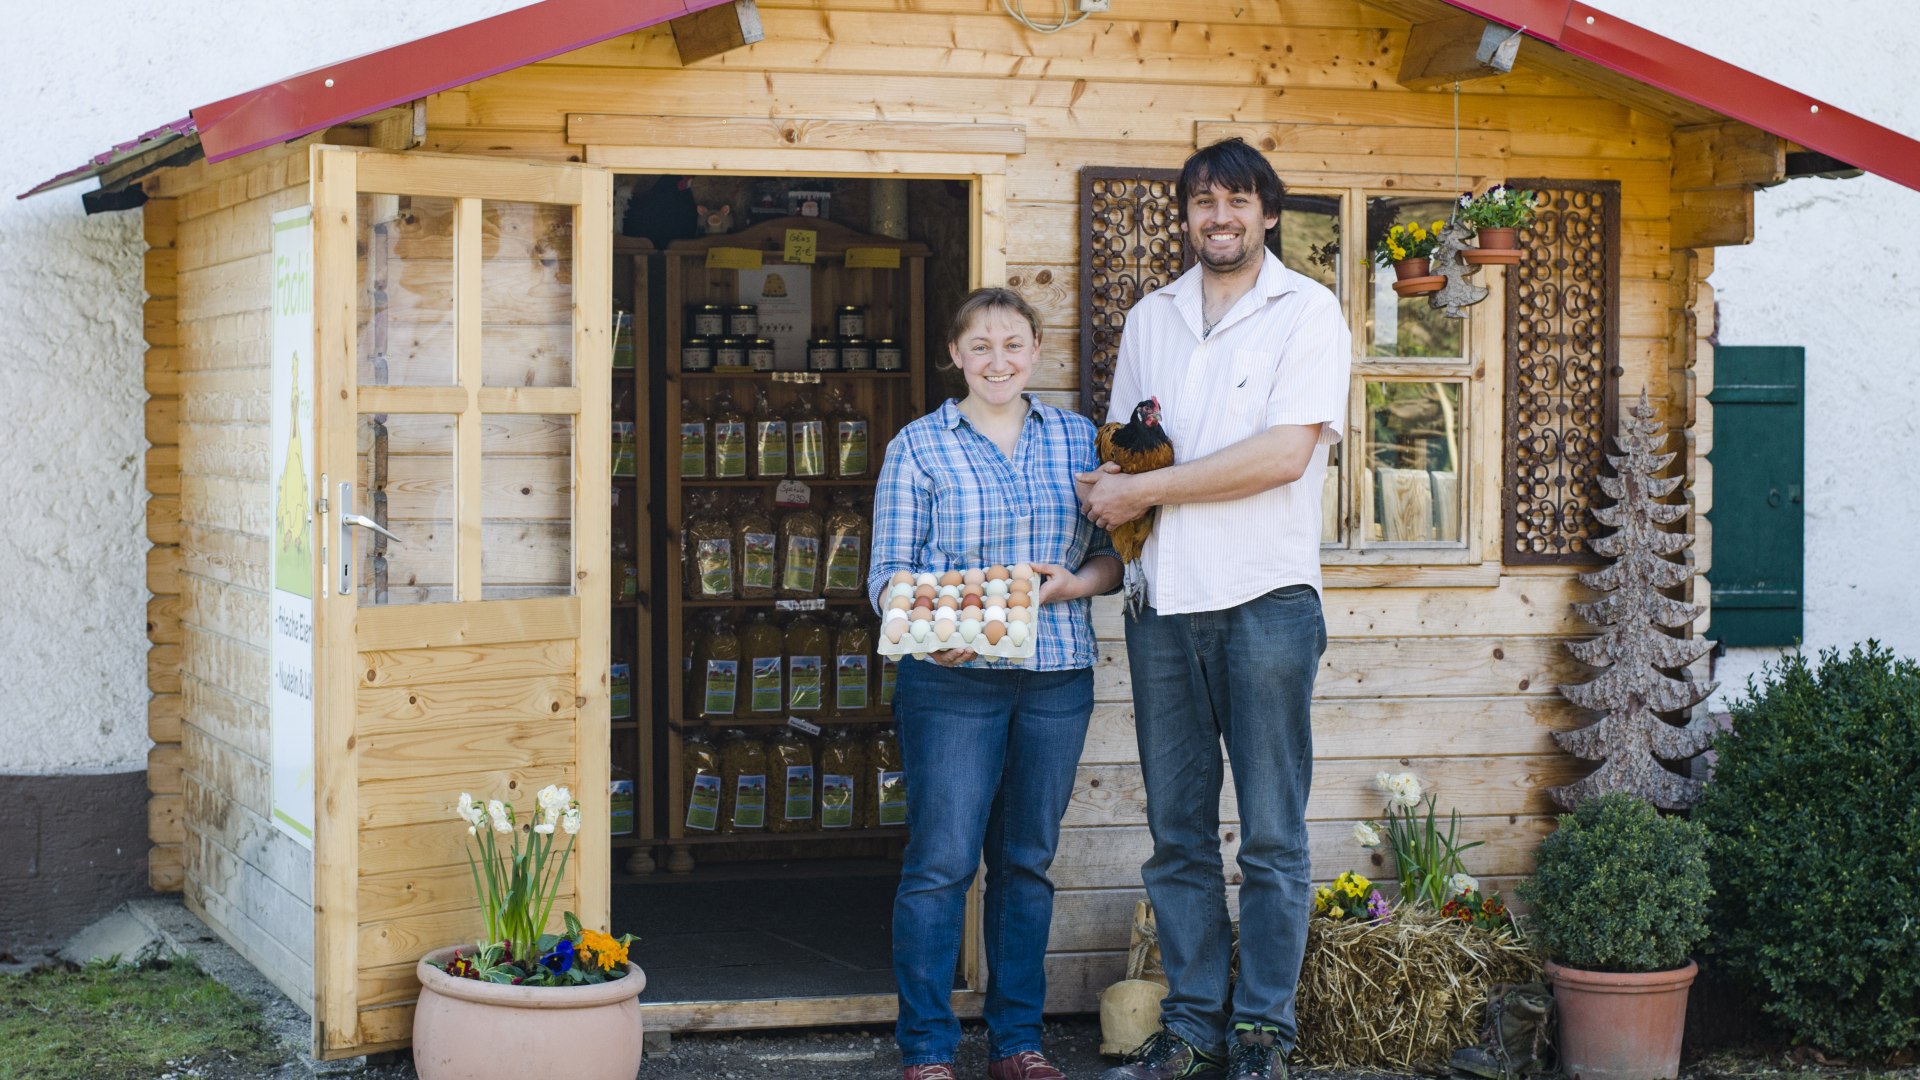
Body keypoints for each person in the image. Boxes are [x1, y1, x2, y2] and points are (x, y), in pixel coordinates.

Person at [1083, 138, 1351, 1080]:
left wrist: (1147, 494)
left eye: (1237, 200)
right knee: (1178, 837)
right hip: (1162, 607)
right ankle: (1194, 1030)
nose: (1220, 216)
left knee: (1273, 835)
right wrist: (1107, 517)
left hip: (1267, 603)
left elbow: (1284, 455)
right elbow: (1129, 453)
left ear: (1268, 213)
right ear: (1187, 216)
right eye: (1203, 201)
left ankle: (1263, 1035)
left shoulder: (1307, 312)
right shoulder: (1151, 318)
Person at [871, 288, 1124, 1080]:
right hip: (951, 682)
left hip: (1054, 677)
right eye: (980, 346)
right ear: (956, 355)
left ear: (1036, 350)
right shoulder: (919, 445)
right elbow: (887, 572)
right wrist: (927, 628)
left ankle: (1018, 1042)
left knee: (1024, 863)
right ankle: (929, 1051)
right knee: (941, 863)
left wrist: (1072, 587)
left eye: (1012, 344)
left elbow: (1116, 557)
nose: (997, 360)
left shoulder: (1078, 440)